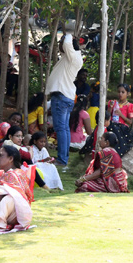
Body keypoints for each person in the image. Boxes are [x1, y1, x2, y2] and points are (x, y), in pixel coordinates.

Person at [44, 33, 83, 166]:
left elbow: (66, 44)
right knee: (64, 128)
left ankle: (62, 159)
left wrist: (69, 35)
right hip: (66, 96)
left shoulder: (73, 55)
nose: (61, 46)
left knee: (61, 128)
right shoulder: (71, 57)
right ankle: (63, 157)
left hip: (61, 96)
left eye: (61, 44)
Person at [0, 145, 34, 232]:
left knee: (9, 198)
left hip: (17, 213)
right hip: (9, 212)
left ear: (11, 158)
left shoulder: (15, 174)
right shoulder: (2, 173)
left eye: (0, 155)